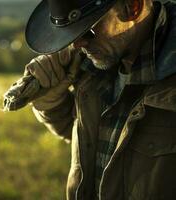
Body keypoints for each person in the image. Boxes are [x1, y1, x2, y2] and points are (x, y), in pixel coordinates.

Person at [20, 0, 176, 199]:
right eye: (72, 33)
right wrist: (51, 104)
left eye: (88, 31)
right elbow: (93, 140)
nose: (77, 44)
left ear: (132, 7)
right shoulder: (89, 67)